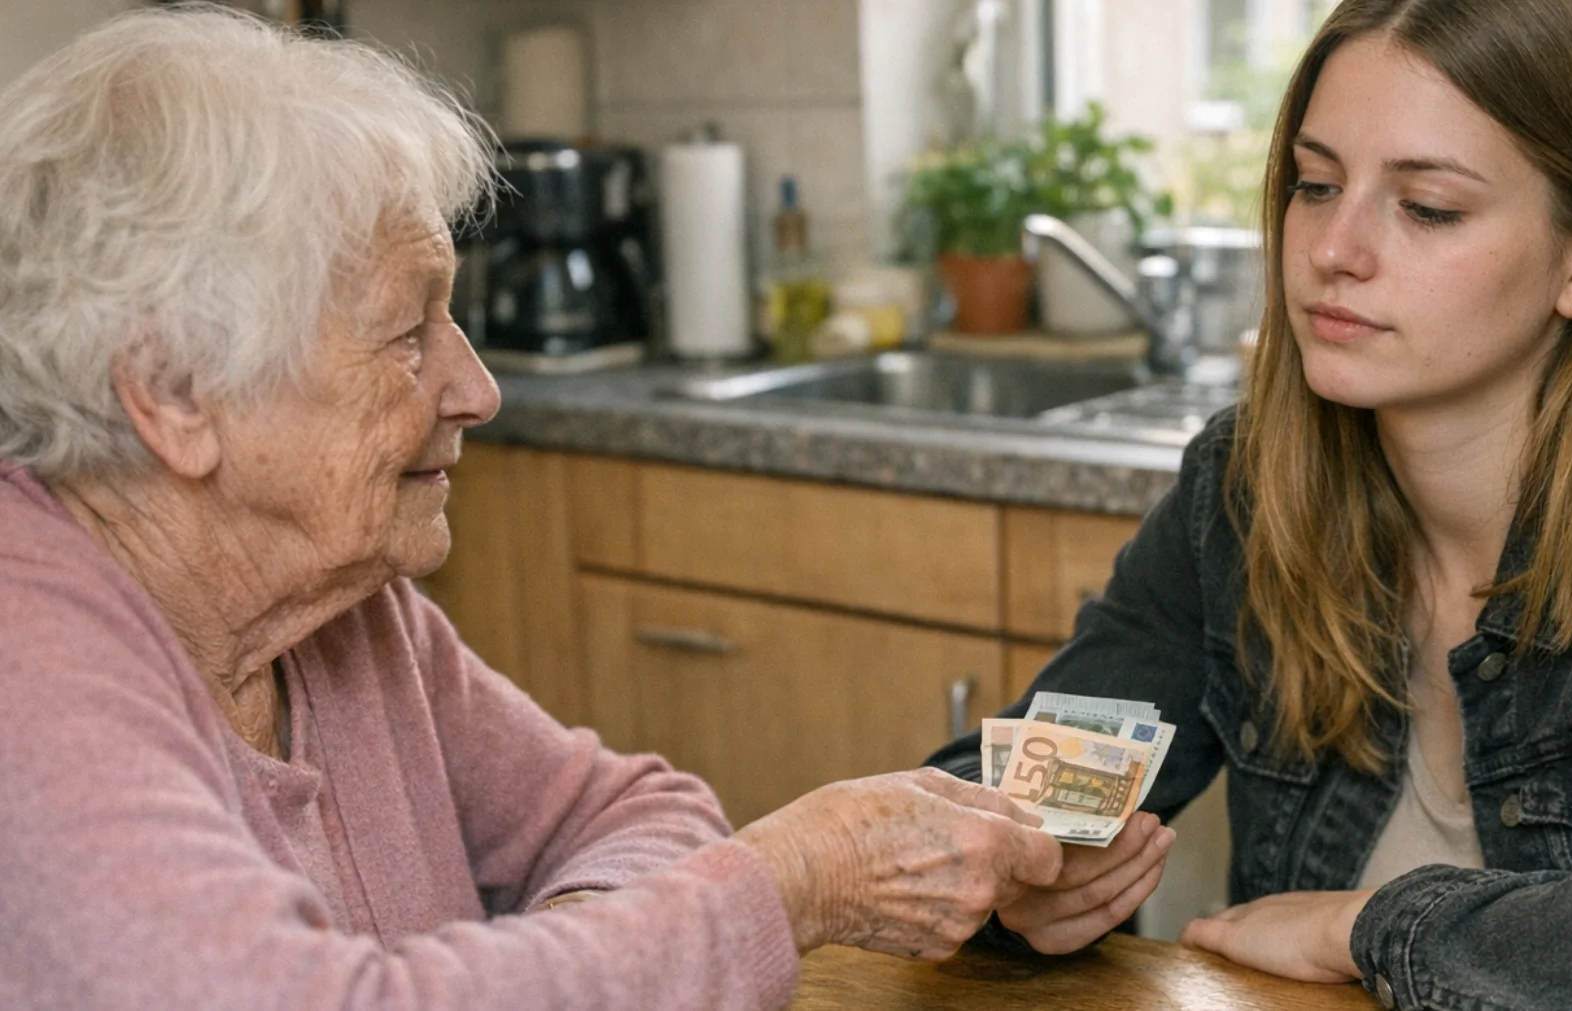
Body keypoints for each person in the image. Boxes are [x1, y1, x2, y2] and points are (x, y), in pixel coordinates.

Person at [0, 9, 1065, 1010]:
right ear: (176, 390)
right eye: (407, 331)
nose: (479, 389)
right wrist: (789, 884)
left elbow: (642, 815)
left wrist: (583, 970)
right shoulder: (29, 669)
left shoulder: (342, 611)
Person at [929, 0, 1572, 1006]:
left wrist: (1365, 923)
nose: (1332, 249)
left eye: (1427, 207)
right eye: (1316, 183)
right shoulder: (1246, 490)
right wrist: (1023, 881)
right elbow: (991, 805)